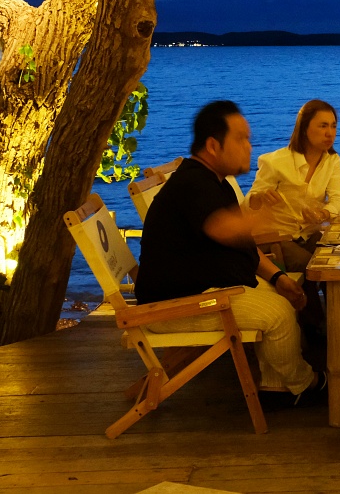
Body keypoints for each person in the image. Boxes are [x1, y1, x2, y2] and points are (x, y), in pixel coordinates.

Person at [136, 100, 324, 404]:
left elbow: (243, 243)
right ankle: (305, 384)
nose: (249, 146)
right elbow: (224, 228)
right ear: (213, 145)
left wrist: (277, 278)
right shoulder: (192, 184)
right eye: (241, 139)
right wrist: (264, 214)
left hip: (203, 289)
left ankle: (277, 388)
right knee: (279, 315)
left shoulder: (215, 182)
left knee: (281, 297)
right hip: (173, 305)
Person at [245, 99, 340, 272]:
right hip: (275, 240)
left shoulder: (332, 161)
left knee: (339, 259)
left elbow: (339, 198)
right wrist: (260, 197)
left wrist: (322, 213)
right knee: (312, 266)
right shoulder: (275, 162)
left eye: (333, 126)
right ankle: (309, 299)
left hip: (306, 235)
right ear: (304, 128)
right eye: (323, 126)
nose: (330, 133)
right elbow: (249, 204)